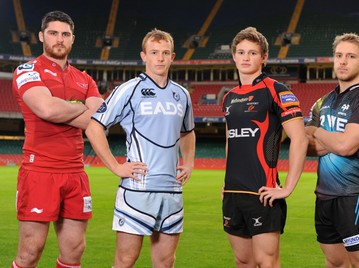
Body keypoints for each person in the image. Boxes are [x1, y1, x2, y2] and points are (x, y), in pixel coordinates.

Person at [85, 28, 196, 268]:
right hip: (137, 190)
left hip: (172, 191)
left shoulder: (182, 95)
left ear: (173, 57)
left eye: (165, 53)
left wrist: (188, 162)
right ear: (143, 56)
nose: (160, 58)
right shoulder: (129, 89)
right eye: (154, 52)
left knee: (165, 262)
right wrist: (116, 167)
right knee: (126, 260)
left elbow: (188, 132)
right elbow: (94, 128)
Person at [11, 10, 103, 268]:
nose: (59, 39)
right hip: (40, 170)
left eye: (65, 34)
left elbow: (100, 122)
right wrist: (81, 106)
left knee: (74, 251)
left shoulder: (84, 79)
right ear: (42, 36)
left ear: (72, 39)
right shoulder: (27, 70)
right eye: (53, 33)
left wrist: (63, 107)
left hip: (75, 173)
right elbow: (46, 109)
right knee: (30, 251)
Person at [221, 27, 308, 267]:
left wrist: (288, 188)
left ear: (264, 57)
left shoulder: (277, 90)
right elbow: (232, 140)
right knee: (242, 261)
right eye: (241, 52)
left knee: (266, 262)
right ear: (234, 56)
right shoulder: (229, 97)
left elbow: (300, 139)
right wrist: (226, 183)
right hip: (233, 194)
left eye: (252, 52)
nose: (246, 57)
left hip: (263, 194)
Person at [306, 33, 359, 267]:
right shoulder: (322, 102)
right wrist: (330, 139)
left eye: (350, 56)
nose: (342, 61)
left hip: (356, 196)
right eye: (338, 55)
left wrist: (316, 132)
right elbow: (302, 145)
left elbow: (346, 145)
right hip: (324, 196)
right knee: (334, 262)